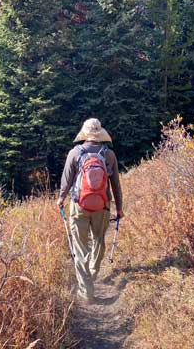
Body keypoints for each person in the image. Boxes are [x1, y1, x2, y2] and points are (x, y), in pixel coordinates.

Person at [56, 118, 123, 303]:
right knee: (99, 241)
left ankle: (86, 292)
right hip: (103, 206)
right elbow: (116, 184)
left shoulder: (75, 153)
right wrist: (119, 208)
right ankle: (93, 273)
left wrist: (61, 198)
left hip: (79, 206)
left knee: (80, 247)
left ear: (84, 134)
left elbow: (66, 180)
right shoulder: (109, 155)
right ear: (100, 133)